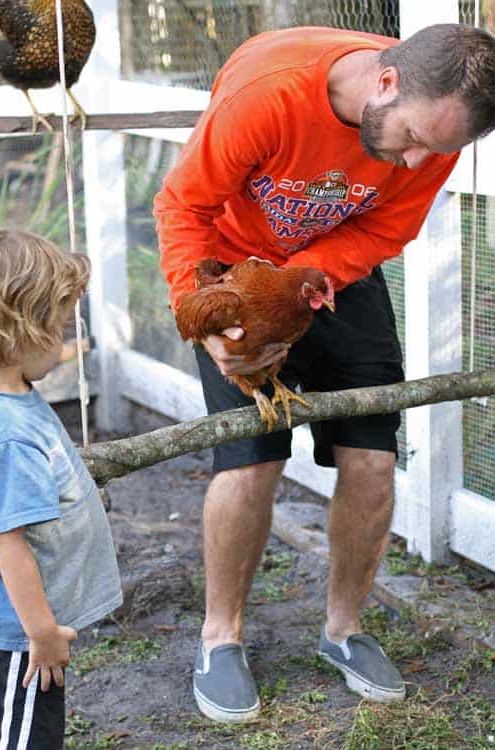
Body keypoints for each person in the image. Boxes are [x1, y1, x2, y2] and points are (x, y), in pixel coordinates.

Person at [154, 23, 495, 723]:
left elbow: (386, 231)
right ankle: (221, 638)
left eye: (441, 149)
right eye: (414, 138)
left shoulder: (434, 127)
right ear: (387, 82)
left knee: (371, 459)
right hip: (229, 271)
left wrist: (297, 287)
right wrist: (212, 311)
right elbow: (182, 205)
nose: (420, 160)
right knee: (250, 462)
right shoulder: (269, 95)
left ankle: (344, 629)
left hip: (333, 271)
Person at [0, 230, 123, 749]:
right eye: (59, 326)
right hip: (20, 637)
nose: (65, 341)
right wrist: (41, 634)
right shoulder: (11, 434)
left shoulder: (15, 396)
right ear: (21, 329)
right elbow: (7, 540)